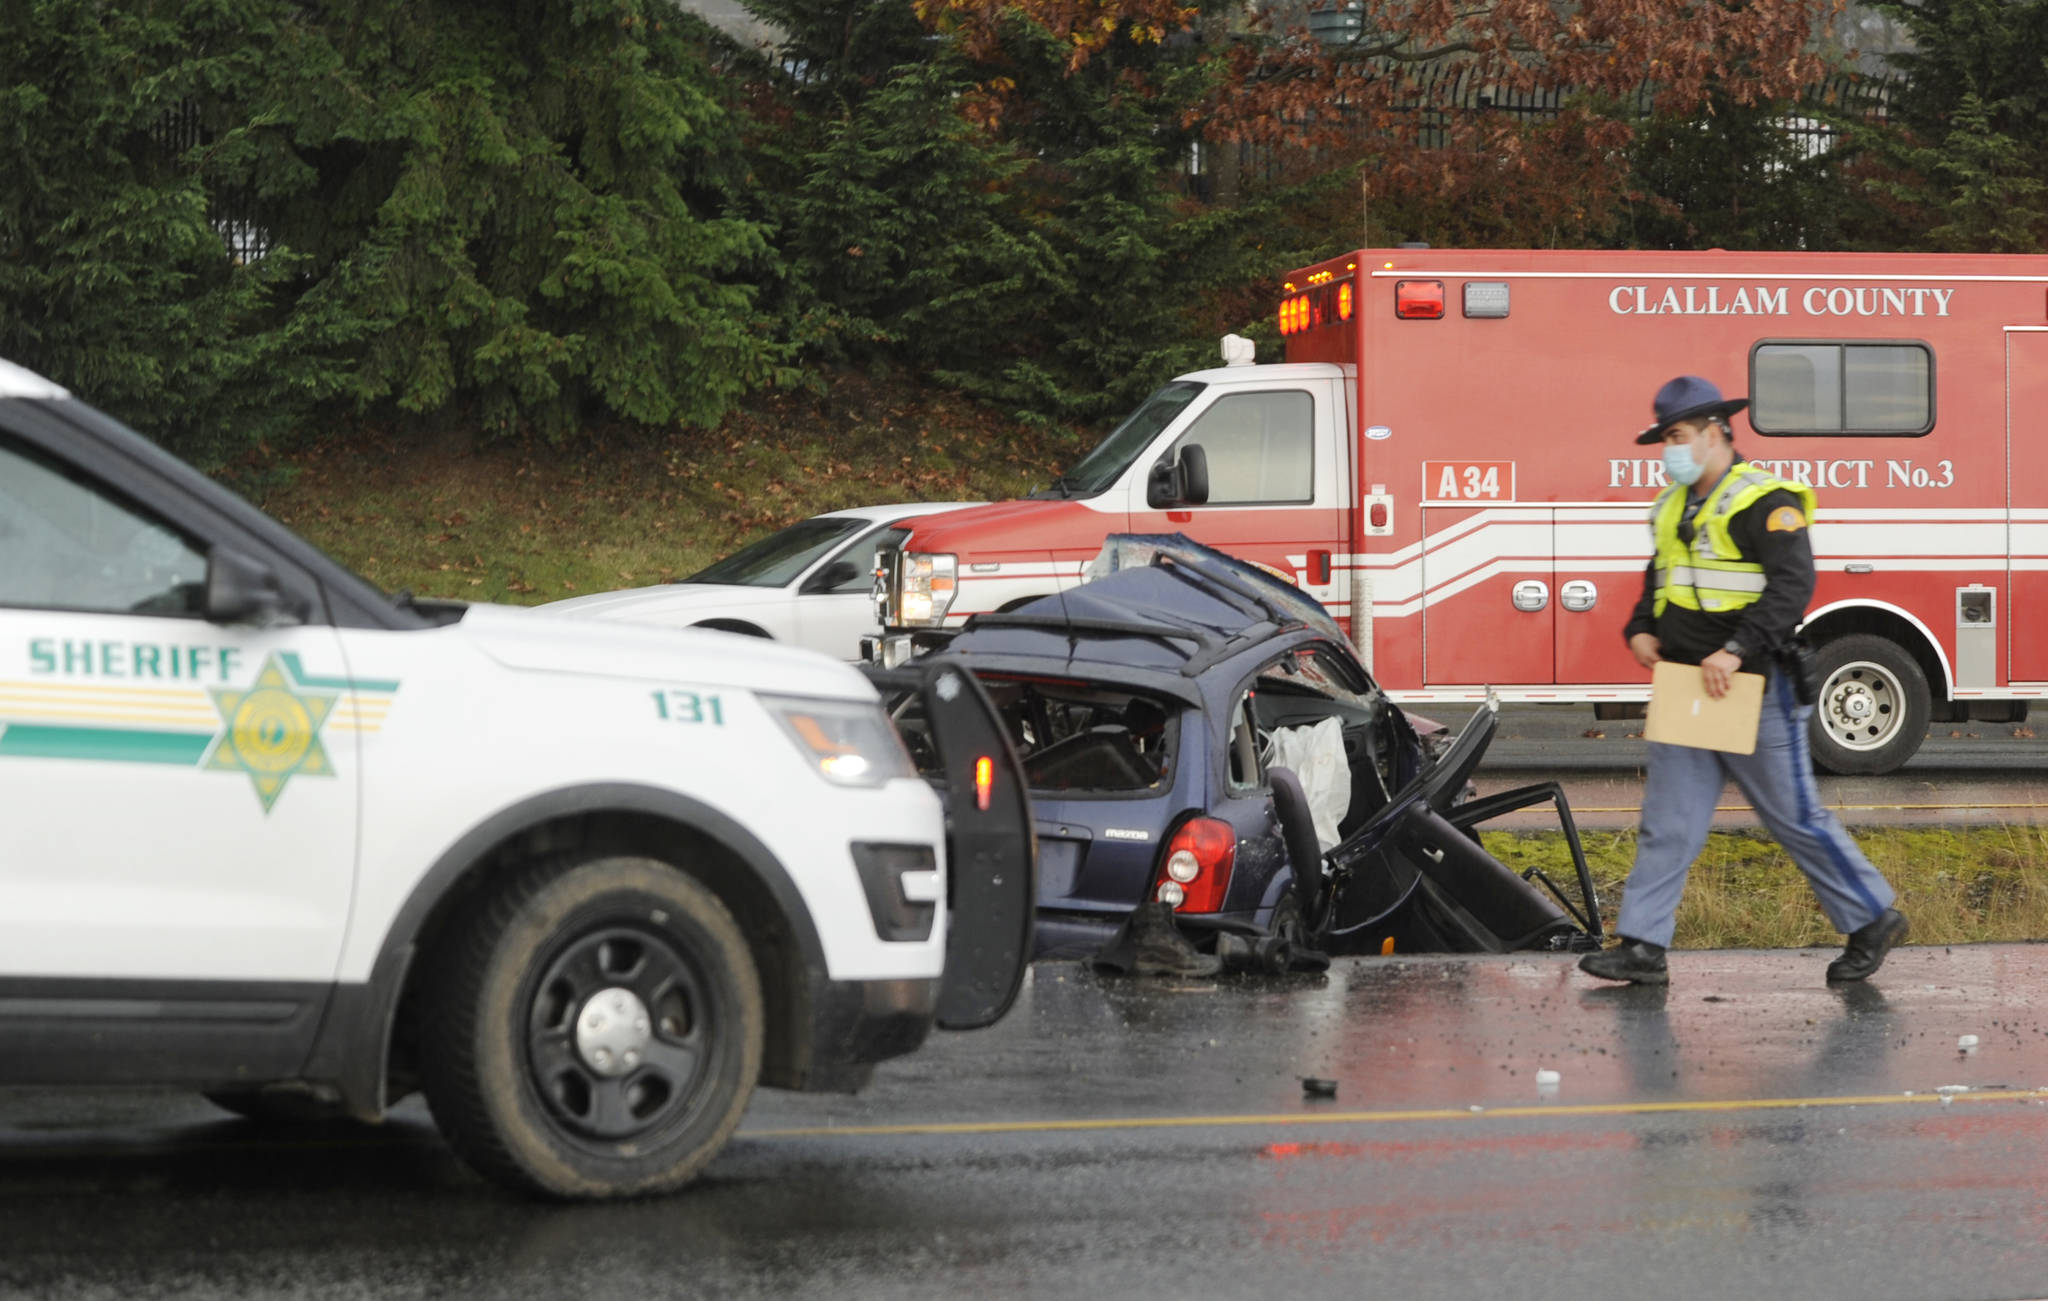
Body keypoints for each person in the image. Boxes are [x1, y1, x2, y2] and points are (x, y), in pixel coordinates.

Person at [1580, 376, 1910, 986]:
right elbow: (1661, 577)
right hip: (1687, 685)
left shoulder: (1765, 500)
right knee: (1669, 819)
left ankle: (1871, 919)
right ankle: (1643, 946)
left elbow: (1792, 588)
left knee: (1794, 818)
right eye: (1665, 439)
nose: (1670, 450)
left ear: (1715, 433)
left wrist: (1735, 650)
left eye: (1677, 436)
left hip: (1755, 686)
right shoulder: (1674, 504)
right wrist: (1639, 629)